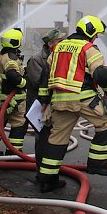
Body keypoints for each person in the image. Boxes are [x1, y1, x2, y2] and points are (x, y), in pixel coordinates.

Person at [37, 15, 107, 193]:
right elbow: (102, 75)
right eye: (96, 34)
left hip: (58, 101)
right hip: (82, 98)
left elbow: (45, 76)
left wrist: (44, 100)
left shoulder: (58, 48)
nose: (96, 38)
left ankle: (47, 181)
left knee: (57, 138)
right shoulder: (89, 48)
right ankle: (97, 164)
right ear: (91, 33)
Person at [25, 28, 66, 176]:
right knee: (42, 139)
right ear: (50, 43)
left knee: (53, 139)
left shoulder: (58, 56)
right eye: (60, 41)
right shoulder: (37, 60)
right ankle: (41, 172)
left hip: (53, 105)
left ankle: (50, 172)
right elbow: (39, 83)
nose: (64, 43)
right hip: (39, 107)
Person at [0, 28, 28, 157]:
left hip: (2, 100)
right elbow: (13, 75)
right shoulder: (10, 59)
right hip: (14, 101)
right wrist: (25, 82)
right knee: (19, 124)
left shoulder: (3, 55)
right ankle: (14, 153)